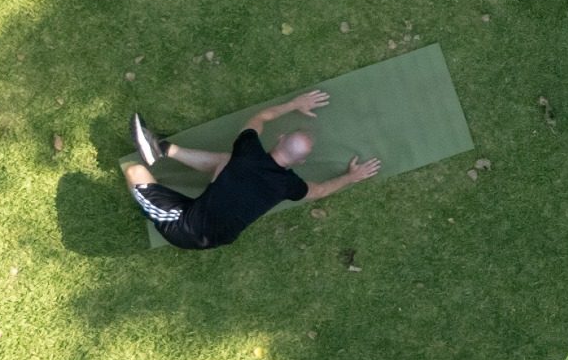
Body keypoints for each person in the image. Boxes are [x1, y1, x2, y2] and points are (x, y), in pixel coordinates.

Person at [123, 92, 380, 249]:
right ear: (299, 163)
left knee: (135, 171)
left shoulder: (248, 149)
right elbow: (321, 190)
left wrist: (295, 104)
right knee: (227, 162)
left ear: (279, 139)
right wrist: (352, 176)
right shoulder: (289, 185)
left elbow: (261, 118)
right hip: (219, 231)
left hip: (187, 231)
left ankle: (154, 189)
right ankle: (162, 150)